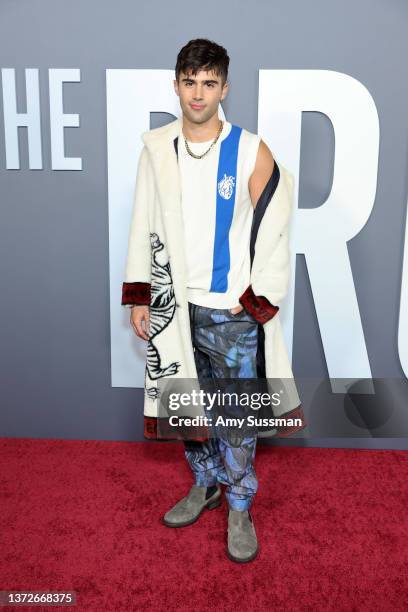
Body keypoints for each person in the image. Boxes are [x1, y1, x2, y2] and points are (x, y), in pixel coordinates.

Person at [121, 38, 302, 563]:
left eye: (208, 83)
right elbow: (141, 225)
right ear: (176, 84)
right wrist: (140, 297)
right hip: (175, 307)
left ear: (225, 87)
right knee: (187, 409)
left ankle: (240, 505)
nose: (198, 93)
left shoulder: (250, 148)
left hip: (230, 311)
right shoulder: (156, 149)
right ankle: (206, 485)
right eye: (189, 81)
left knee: (237, 420)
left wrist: (258, 297)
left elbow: (276, 223)